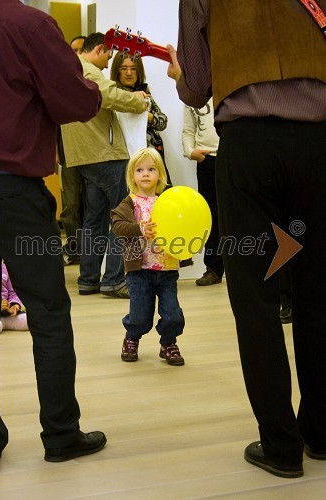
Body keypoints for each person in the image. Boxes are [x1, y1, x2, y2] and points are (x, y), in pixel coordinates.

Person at [167, 0, 326, 479]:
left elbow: (196, 88)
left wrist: (180, 76)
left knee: (255, 295)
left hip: (248, 142)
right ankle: (320, 432)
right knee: (319, 291)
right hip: (319, 142)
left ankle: (280, 445)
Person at [0, 0, 107, 471]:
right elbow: (74, 102)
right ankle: (61, 434)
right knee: (48, 313)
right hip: (13, 191)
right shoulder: (28, 23)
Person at [61, 33, 148, 298]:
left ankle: (88, 279)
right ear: (99, 48)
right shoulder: (87, 70)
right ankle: (113, 280)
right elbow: (107, 94)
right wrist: (139, 100)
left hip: (84, 155)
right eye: (108, 56)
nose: (107, 63)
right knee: (121, 217)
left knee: (94, 219)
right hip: (105, 152)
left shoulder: (67, 68)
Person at [111, 148, 190, 366]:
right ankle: (131, 338)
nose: (145, 174)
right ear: (132, 176)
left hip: (167, 268)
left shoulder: (168, 201)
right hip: (139, 271)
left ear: (160, 175)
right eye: (140, 170)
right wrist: (139, 229)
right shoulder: (130, 202)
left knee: (173, 314)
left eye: (151, 169)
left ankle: (168, 343)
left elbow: (185, 223)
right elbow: (118, 226)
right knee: (139, 316)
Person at [110, 52, 172, 186]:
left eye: (133, 69)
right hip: (124, 158)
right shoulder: (111, 95)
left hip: (151, 154)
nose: (128, 73)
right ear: (117, 70)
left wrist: (146, 116)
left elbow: (162, 122)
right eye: (123, 68)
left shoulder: (145, 92)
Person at [182, 99, 224, 285]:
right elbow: (188, 129)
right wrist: (190, 151)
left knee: (239, 213)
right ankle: (214, 269)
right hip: (207, 160)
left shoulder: (230, 86)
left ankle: (245, 269)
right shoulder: (194, 95)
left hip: (232, 155)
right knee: (210, 215)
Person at [58, 35, 87, 266]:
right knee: (69, 206)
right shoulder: (59, 80)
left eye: (80, 49)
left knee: (91, 204)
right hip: (67, 153)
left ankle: (91, 252)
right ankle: (75, 249)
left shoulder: (93, 80)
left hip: (91, 154)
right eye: (73, 50)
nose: (76, 54)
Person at [0, 262, 28, 334]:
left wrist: (15, 305)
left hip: (6, 312)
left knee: (31, 321)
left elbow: (13, 292)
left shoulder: (5, 268)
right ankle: (0, 323)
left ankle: (3, 322)